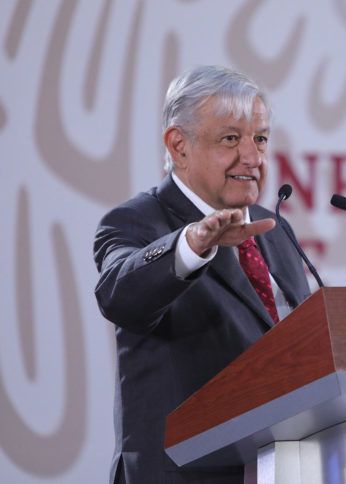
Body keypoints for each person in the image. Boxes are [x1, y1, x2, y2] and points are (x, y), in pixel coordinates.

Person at [93, 65, 311, 483]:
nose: (252, 157)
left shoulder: (275, 228)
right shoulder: (136, 222)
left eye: (260, 139)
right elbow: (120, 295)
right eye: (230, 139)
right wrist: (192, 244)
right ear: (179, 146)